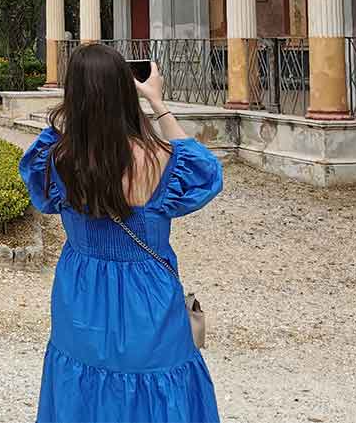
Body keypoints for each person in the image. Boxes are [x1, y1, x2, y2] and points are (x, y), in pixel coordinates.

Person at [20, 43, 223, 423]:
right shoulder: (159, 158)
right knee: (158, 386)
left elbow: (41, 194)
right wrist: (156, 101)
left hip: (82, 293)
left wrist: (77, 117)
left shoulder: (60, 160)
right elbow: (207, 172)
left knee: (84, 386)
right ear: (125, 90)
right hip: (149, 295)